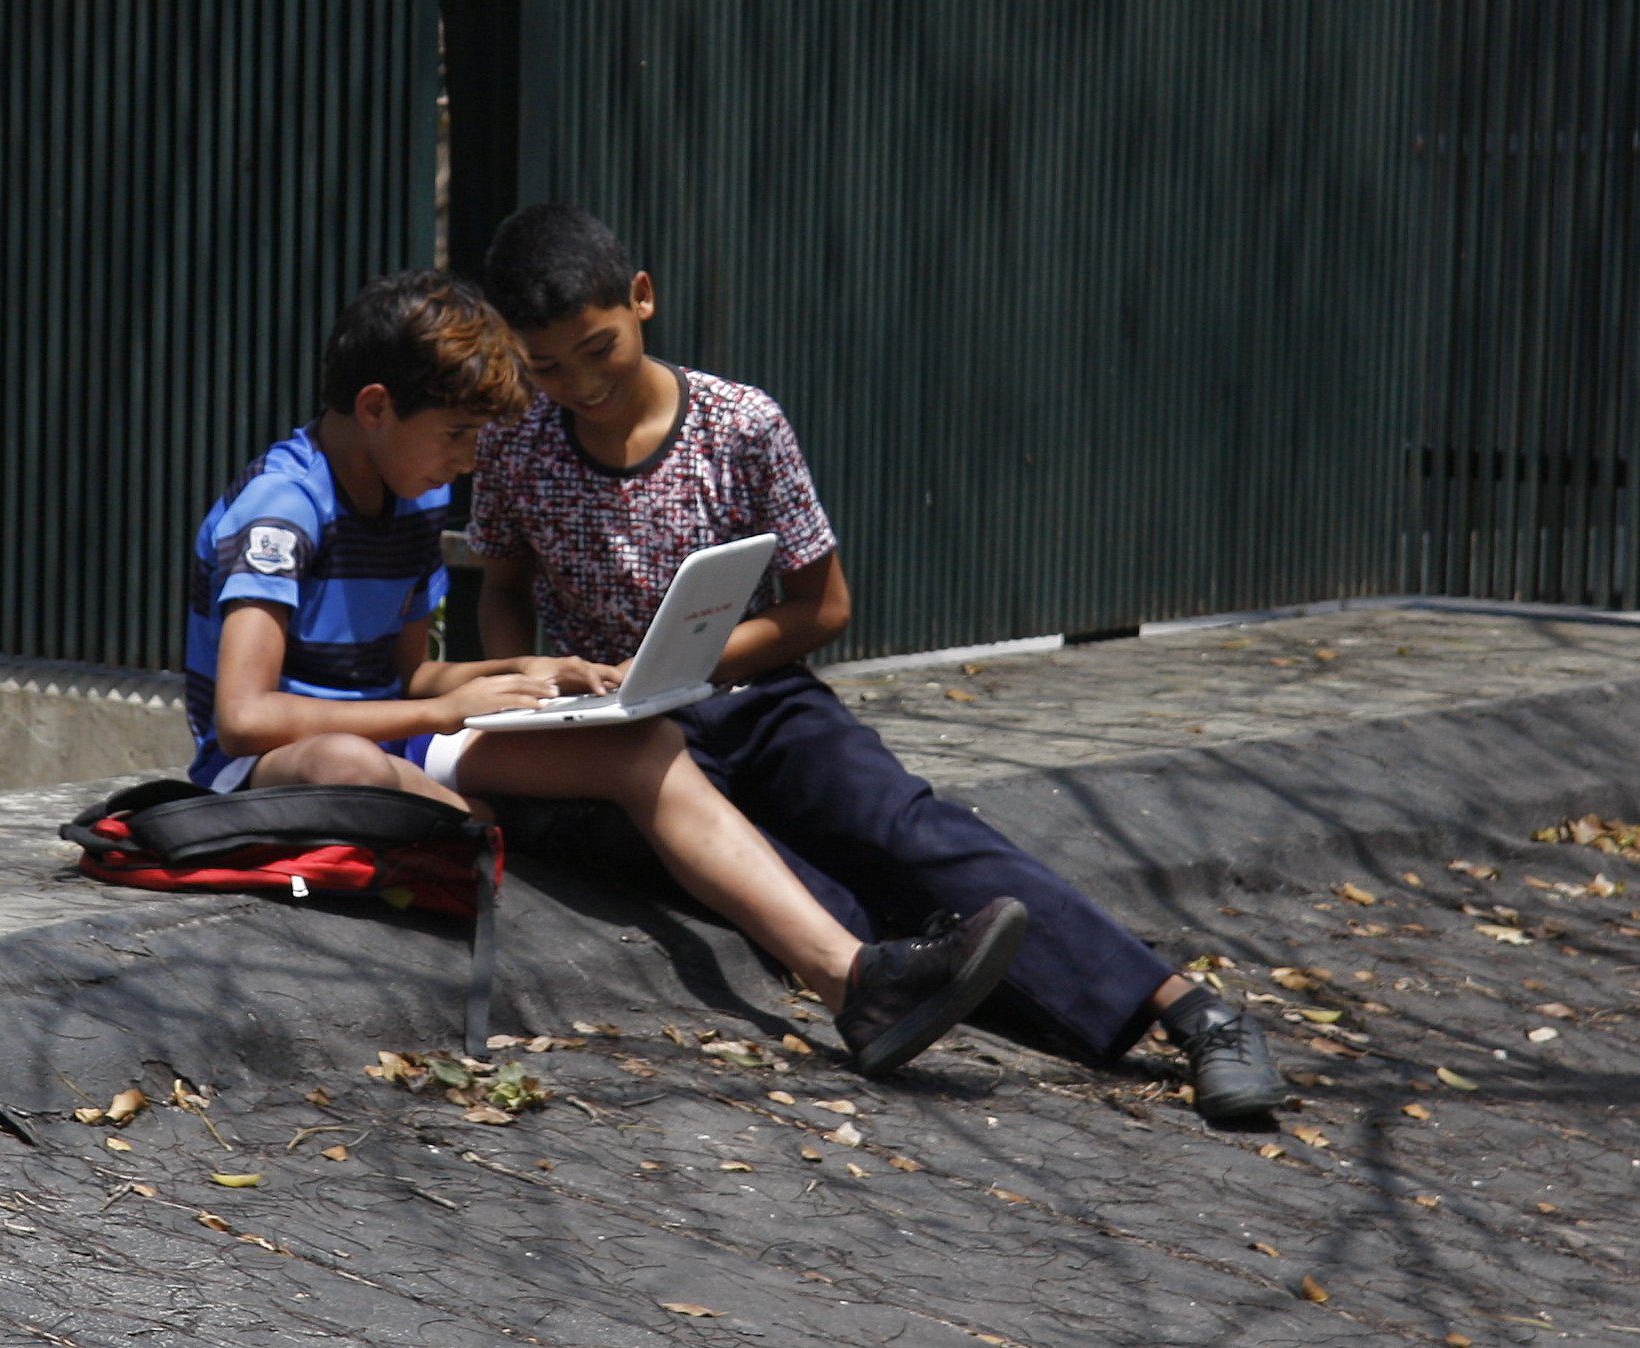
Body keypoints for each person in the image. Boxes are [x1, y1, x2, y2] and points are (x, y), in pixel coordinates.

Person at [468, 205, 1286, 1121]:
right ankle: (909, 998)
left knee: (908, 835)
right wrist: (533, 677)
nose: (578, 383)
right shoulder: (512, 441)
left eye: (597, 347)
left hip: (760, 702)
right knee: (808, 894)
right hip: (626, 740)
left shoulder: (740, 426)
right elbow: (502, 588)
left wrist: (681, 665)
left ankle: (1193, 1012)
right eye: (545, 365)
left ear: (642, 299)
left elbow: (824, 606)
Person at [183, 268, 1026, 1078]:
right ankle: (482, 826)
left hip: (393, 739)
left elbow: (405, 680)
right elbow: (244, 719)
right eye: (455, 436)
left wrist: (525, 670)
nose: (470, 462)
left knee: (641, 745)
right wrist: (449, 714)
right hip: (271, 764)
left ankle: (855, 982)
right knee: (347, 765)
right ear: (375, 408)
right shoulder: (281, 510)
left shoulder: (412, 497)